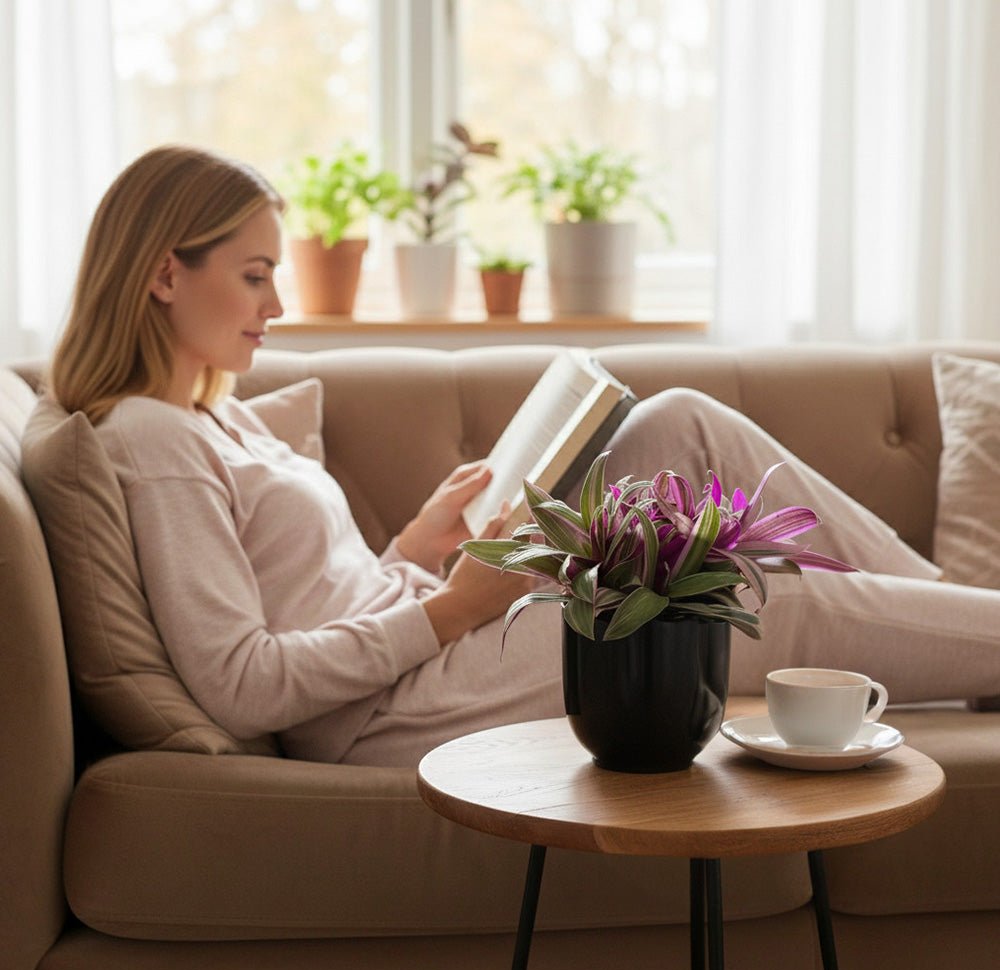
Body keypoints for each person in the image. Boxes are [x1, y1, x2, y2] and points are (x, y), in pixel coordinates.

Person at [47, 145, 1000, 768]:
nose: (277, 305)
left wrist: (416, 552)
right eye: (254, 276)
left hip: (422, 642)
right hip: (396, 711)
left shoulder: (222, 418)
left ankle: (966, 630)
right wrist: (453, 607)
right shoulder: (152, 441)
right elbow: (245, 681)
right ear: (165, 272)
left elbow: (313, 596)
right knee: (725, 585)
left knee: (680, 423)